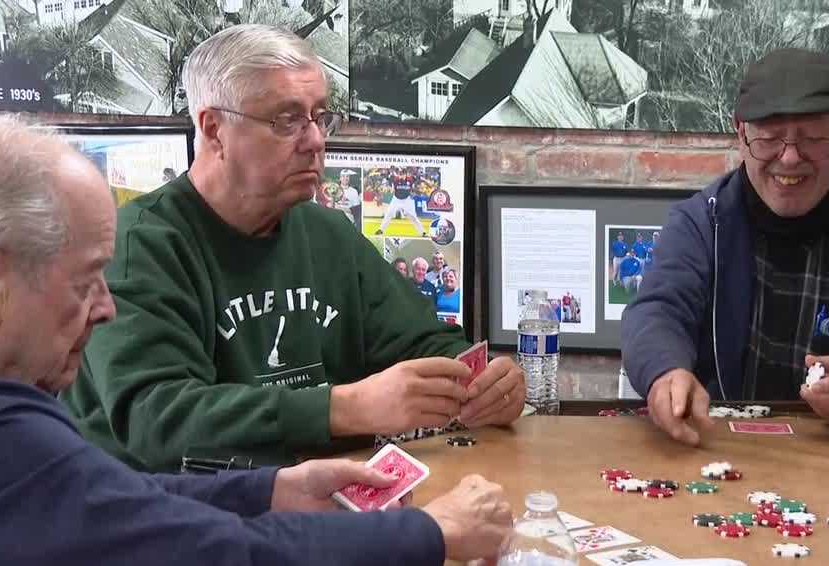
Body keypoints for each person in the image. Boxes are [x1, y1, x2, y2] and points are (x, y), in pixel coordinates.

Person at [0, 114, 514, 566]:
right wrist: (429, 532)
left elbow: (121, 496)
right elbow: (219, 552)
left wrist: (269, 490)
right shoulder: (9, 431)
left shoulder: (327, 233)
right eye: (83, 283)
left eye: (318, 115)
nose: (105, 307)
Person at [62, 25, 525, 471]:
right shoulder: (140, 244)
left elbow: (425, 345)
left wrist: (484, 383)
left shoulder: (327, 233)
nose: (316, 141)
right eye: (286, 120)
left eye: (320, 116)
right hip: (169, 521)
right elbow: (156, 419)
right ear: (214, 129)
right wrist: (343, 409)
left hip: (313, 503)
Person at [622, 48, 829, 446]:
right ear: (741, 132)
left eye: (813, 138)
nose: (789, 158)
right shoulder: (701, 224)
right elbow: (657, 312)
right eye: (768, 139)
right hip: (723, 450)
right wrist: (665, 372)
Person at [377, 168, 426, 237]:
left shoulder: (410, 179)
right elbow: (387, 177)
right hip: (396, 199)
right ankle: (381, 230)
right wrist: (383, 174)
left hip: (407, 200)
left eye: (402, 174)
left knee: (413, 217)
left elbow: (419, 177)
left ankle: (422, 232)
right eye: (400, 174)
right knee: (389, 214)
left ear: (405, 174)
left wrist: (422, 177)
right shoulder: (395, 179)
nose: (401, 175)